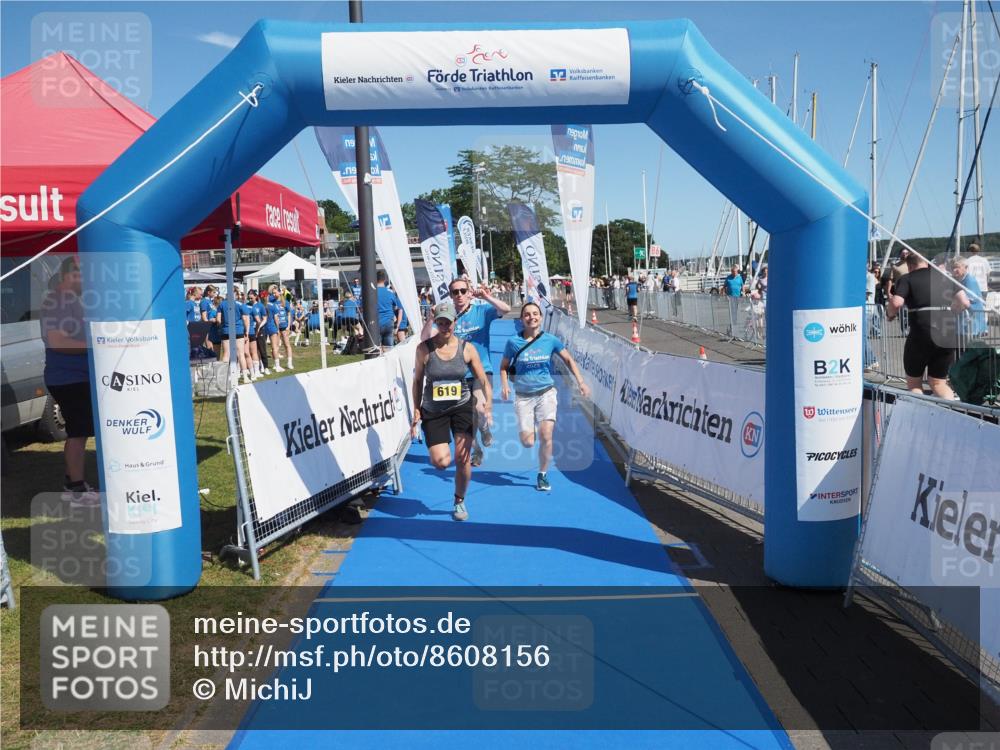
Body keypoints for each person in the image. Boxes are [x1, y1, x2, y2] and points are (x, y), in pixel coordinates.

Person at [411, 302, 493, 521]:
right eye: (441, 322)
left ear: (455, 322)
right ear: (436, 323)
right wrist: (416, 409)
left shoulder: (466, 348)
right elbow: (418, 381)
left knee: (463, 457)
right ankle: (450, 474)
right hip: (433, 409)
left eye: (448, 322)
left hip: (461, 406)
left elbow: (482, 378)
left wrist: (488, 404)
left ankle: (459, 499)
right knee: (441, 462)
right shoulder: (424, 349)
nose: (445, 326)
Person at [499, 302, 591, 492]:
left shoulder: (550, 340)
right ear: (522, 319)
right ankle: (528, 426)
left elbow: (568, 359)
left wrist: (581, 382)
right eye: (527, 314)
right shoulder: (513, 342)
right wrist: (505, 385)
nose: (531, 317)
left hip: (546, 392)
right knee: (528, 442)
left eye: (535, 313)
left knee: (546, 435)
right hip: (523, 396)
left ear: (540, 317)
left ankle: (542, 474)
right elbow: (503, 367)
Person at [40, 257, 99, 506]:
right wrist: (96, 345)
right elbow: (57, 342)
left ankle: (72, 482)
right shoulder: (57, 302)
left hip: (75, 377)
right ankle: (75, 489)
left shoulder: (71, 301)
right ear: (70, 274)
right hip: (68, 378)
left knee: (81, 431)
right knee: (78, 431)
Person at [886, 251, 970, 398]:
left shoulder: (907, 279)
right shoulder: (945, 278)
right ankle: (949, 412)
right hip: (947, 332)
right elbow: (964, 302)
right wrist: (953, 311)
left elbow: (897, 302)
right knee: (938, 382)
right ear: (926, 262)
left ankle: (920, 416)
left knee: (914, 383)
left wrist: (890, 315)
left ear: (910, 265)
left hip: (922, 333)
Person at [449, 277, 512, 466]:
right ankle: (476, 451)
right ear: (451, 296)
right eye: (455, 292)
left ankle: (485, 428)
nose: (459, 295)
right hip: (457, 374)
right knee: (465, 420)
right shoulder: (448, 317)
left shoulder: (481, 311)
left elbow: (505, 310)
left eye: (462, 291)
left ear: (469, 293)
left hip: (482, 371)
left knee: (479, 408)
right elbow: (428, 337)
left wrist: (486, 297)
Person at [217, 287, 252, 384]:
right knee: (241, 354)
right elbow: (245, 319)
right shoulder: (241, 304)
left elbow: (218, 320)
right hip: (238, 330)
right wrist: (247, 332)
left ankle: (223, 378)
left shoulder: (222, 304)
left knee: (226, 354)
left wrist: (222, 326)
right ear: (236, 294)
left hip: (226, 331)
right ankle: (245, 377)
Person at [951, 256, 987, 340]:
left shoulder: (970, 280)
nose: (954, 270)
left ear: (965, 267)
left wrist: (954, 309)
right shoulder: (958, 280)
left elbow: (966, 302)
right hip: (966, 322)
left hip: (973, 321)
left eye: (957, 267)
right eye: (953, 267)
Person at [366, 270, 402, 349]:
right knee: (388, 348)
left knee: (376, 349)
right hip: (388, 322)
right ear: (385, 279)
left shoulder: (372, 292)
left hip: (376, 323)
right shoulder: (390, 292)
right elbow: (396, 307)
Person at [266, 286, 286, 372]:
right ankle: (277, 366)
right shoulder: (274, 306)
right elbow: (276, 318)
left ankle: (271, 365)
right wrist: (278, 329)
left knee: (272, 347)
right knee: (275, 347)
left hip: (266, 326)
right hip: (273, 326)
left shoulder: (266, 304)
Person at [251, 289, 271, 375]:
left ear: (256, 297)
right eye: (249, 296)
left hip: (260, 330)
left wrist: (259, 328)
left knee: (262, 349)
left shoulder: (261, 306)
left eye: (251, 296)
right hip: (251, 330)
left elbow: (265, 319)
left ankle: (265, 367)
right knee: (254, 350)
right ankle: (257, 367)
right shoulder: (247, 305)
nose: (250, 298)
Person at [244, 290, 263, 379]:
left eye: (251, 298)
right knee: (248, 353)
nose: (250, 299)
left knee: (252, 352)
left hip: (249, 332)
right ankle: (253, 371)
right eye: (249, 298)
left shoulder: (245, 307)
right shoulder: (252, 307)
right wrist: (256, 329)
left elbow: (259, 321)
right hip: (248, 332)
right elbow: (258, 320)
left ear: (255, 296)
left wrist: (256, 330)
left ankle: (256, 371)